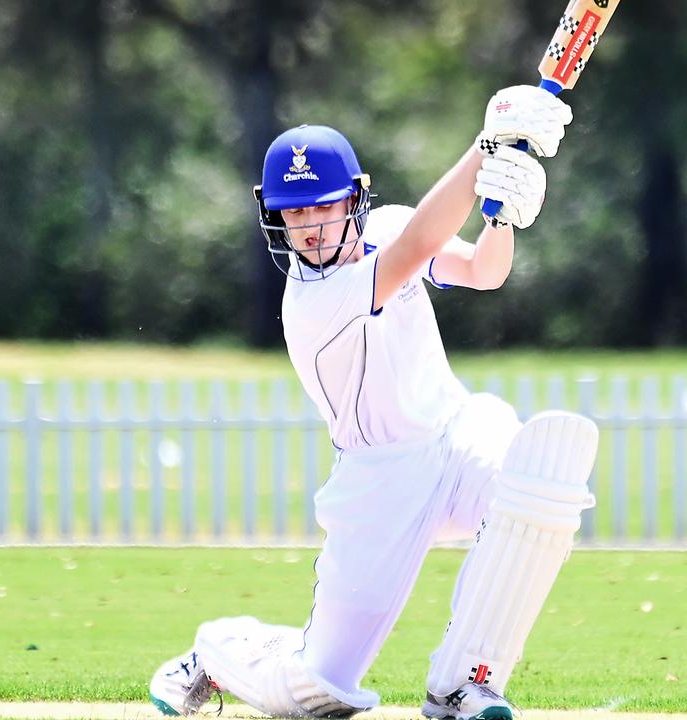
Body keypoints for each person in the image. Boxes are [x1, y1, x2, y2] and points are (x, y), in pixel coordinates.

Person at [148, 86, 599, 720]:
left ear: (356, 199)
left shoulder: (385, 230)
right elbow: (415, 249)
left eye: (322, 209)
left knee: (536, 485)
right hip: (378, 481)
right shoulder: (310, 302)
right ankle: (216, 653)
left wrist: (502, 216)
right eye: (293, 214)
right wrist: (486, 145)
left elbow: (484, 272)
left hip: (455, 435)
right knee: (316, 692)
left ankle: (467, 684)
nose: (308, 228)